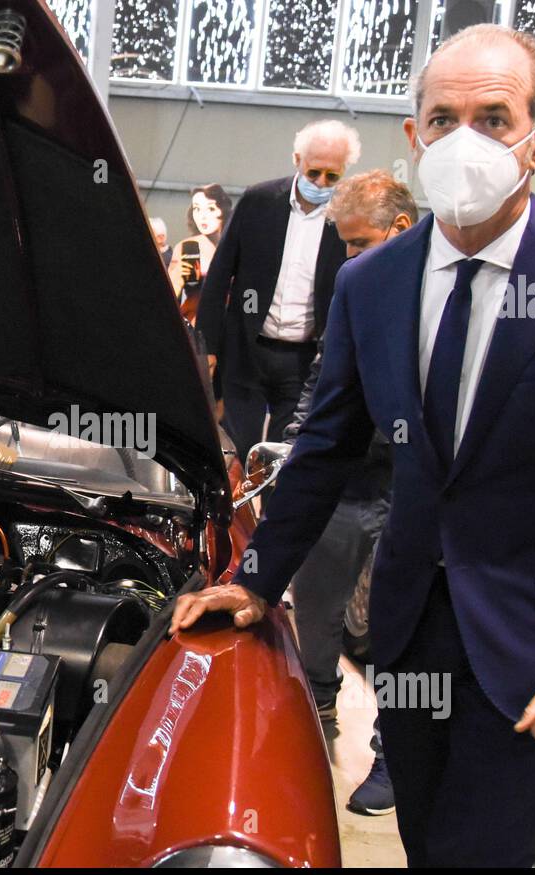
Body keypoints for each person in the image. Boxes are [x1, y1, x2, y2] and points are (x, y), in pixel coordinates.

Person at [170, 25, 535, 867]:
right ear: (414, 134)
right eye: (442, 117)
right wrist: (254, 581)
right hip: (410, 635)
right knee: (426, 842)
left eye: (494, 117)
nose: (465, 139)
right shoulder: (370, 283)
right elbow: (326, 447)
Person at [284, 170, 418, 817]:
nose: (348, 259)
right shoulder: (355, 293)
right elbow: (323, 379)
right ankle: (318, 702)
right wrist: (297, 440)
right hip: (345, 485)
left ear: (402, 229)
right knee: (314, 606)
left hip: (412, 492)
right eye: (342, 245)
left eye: (359, 243)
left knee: (398, 625)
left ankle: (393, 750)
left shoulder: (447, 301)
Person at [197, 119, 358, 460]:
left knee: (286, 455)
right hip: (247, 348)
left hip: (304, 357)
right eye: (314, 172)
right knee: (237, 450)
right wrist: (206, 346)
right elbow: (220, 273)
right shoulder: (259, 200)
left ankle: (273, 514)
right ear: (297, 159)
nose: (321, 183)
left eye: (333, 176)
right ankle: (234, 514)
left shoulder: (347, 215)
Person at [167, 184, 232, 308]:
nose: (203, 216)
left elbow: (252, 290)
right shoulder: (186, 247)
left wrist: (251, 315)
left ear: (224, 210)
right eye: (197, 209)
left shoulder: (237, 247)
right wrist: (177, 276)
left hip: (229, 321)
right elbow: (167, 295)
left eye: (211, 209)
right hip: (193, 321)